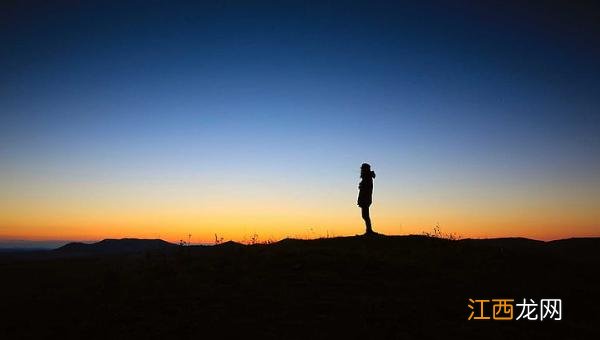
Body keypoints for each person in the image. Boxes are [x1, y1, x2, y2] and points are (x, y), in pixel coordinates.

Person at [357, 163, 376, 235]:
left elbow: (366, 190)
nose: (361, 170)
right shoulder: (367, 178)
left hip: (365, 199)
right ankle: (369, 230)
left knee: (365, 215)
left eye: (362, 169)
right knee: (365, 215)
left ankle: (369, 231)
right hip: (365, 199)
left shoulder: (367, 178)